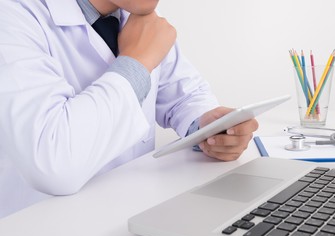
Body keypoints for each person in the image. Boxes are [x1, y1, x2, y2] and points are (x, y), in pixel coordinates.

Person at [0, 0, 258, 218]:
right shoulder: (13, 18)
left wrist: (209, 128)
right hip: (40, 232)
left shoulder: (136, 14)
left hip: (130, 216)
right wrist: (136, 62)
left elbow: (185, 96)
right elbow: (51, 163)